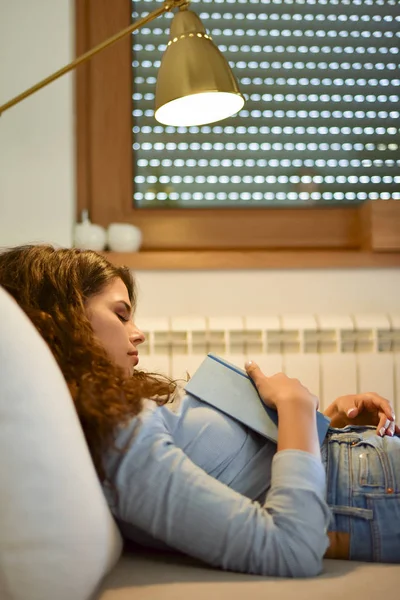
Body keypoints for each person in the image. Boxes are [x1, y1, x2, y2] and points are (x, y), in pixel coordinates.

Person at [0, 244, 399, 577]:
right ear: (64, 322)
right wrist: (295, 407)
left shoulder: (121, 414)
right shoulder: (116, 440)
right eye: (120, 315)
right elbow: (291, 547)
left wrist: (326, 422)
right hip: (375, 493)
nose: (138, 333)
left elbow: (246, 470)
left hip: (369, 466)